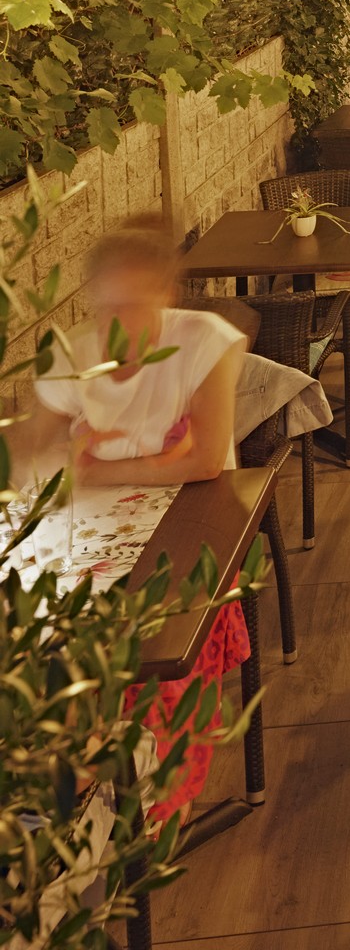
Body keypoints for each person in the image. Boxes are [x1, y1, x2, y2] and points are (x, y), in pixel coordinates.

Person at [9, 218, 249, 825]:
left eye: (135, 304)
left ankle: (150, 807)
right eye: (108, 305)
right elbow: (32, 443)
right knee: (43, 634)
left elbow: (204, 461)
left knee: (142, 644)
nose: (119, 321)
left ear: (166, 295)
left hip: (192, 528)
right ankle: (74, 793)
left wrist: (97, 470)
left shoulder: (202, 343)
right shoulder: (73, 354)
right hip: (97, 532)